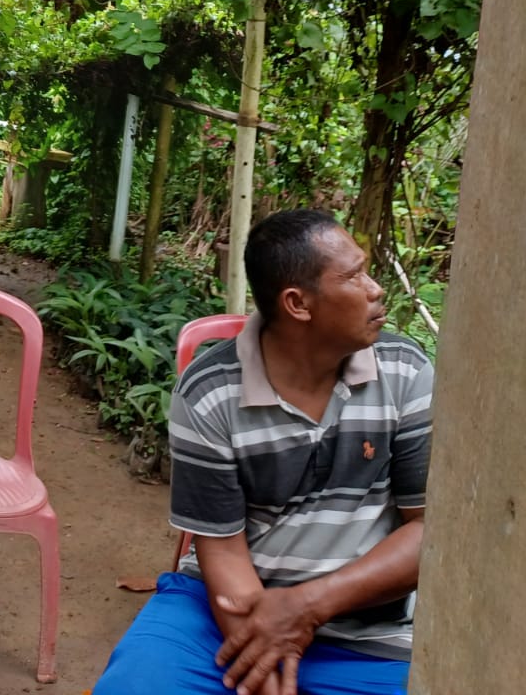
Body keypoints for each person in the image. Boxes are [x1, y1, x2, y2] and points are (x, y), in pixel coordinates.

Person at [93, 209, 434, 695]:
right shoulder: (210, 391)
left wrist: (307, 607)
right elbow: (222, 546)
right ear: (299, 304)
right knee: (132, 686)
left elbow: (428, 531)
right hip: (224, 609)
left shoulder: (405, 370)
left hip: (368, 629)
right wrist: (263, 660)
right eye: (355, 275)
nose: (376, 288)